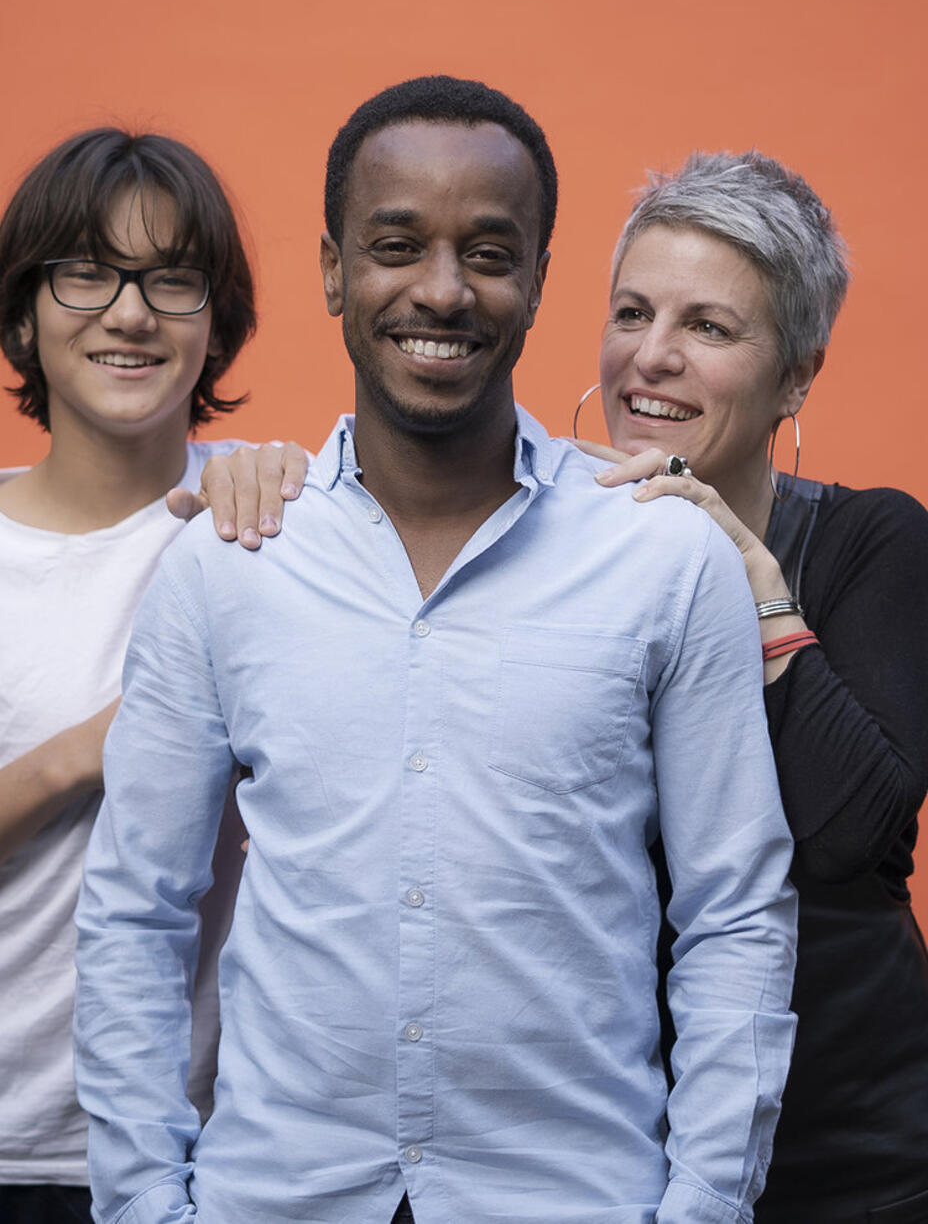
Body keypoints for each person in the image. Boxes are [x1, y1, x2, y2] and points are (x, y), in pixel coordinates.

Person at [74, 77, 797, 1224]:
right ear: (333, 271)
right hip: (277, 1198)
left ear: (540, 281)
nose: (444, 290)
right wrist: (144, 1206)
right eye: (397, 245)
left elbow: (735, 915)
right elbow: (135, 913)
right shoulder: (228, 559)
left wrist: (704, 1206)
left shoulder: (663, 561)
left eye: (489, 254)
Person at [577, 151, 928, 1222]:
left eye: (708, 326)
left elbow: (850, 831)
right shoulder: (537, 553)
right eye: (632, 312)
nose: (652, 354)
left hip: (851, 1165)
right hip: (600, 1153)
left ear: (796, 378)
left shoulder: (872, 541)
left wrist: (751, 574)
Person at [0, 128, 267, 1224]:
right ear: (23, 317)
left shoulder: (272, 518)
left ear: (216, 326)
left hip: (210, 1150)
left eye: (171, 278)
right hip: (14, 1142)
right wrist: (94, 749)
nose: (129, 312)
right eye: (85, 273)